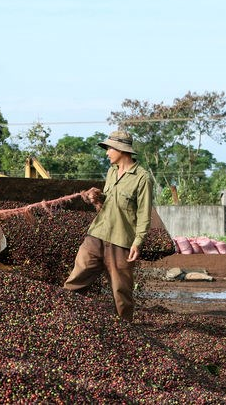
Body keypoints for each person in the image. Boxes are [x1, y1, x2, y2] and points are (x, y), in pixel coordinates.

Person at [63, 129, 153, 321]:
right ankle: (65, 319)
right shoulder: (111, 172)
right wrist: (94, 198)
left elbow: (144, 213)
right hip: (96, 235)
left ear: (122, 150)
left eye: (110, 148)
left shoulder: (142, 178)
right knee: (75, 280)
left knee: (121, 293)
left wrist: (138, 242)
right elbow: (108, 202)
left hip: (120, 241)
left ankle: (125, 330)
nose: (107, 153)